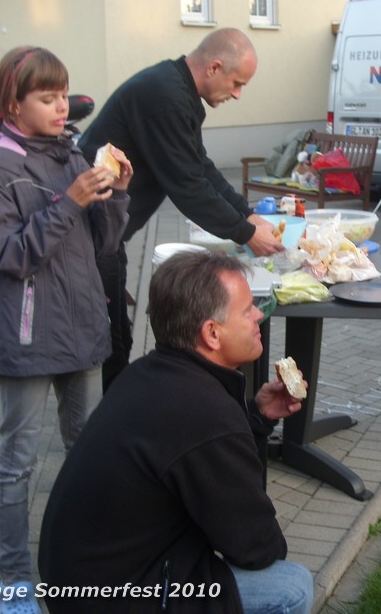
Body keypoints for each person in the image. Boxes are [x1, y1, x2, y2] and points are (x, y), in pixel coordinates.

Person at [38, 251, 313, 614]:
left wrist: (257, 417)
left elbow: (193, 448)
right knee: (290, 587)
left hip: (78, 577)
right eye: (247, 310)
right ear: (212, 333)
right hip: (113, 598)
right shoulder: (204, 411)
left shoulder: (148, 372)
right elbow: (256, 547)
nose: (259, 316)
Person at [0, 46, 132, 614]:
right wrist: (69, 201)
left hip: (83, 325)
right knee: (19, 463)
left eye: (64, 95)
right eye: (47, 97)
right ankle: (14, 577)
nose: (63, 106)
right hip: (31, 335)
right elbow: (8, 256)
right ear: (14, 104)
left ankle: (88, 558)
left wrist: (117, 193)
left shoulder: (71, 152)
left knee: (87, 453)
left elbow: (103, 243)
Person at [78, 27, 284, 390]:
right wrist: (247, 234)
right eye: (237, 83)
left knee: (117, 335)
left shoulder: (177, 90)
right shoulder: (165, 96)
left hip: (107, 235)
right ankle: (110, 417)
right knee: (110, 341)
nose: (237, 94)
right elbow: (188, 188)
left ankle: (116, 409)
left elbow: (200, 166)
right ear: (214, 67)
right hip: (88, 235)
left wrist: (247, 214)